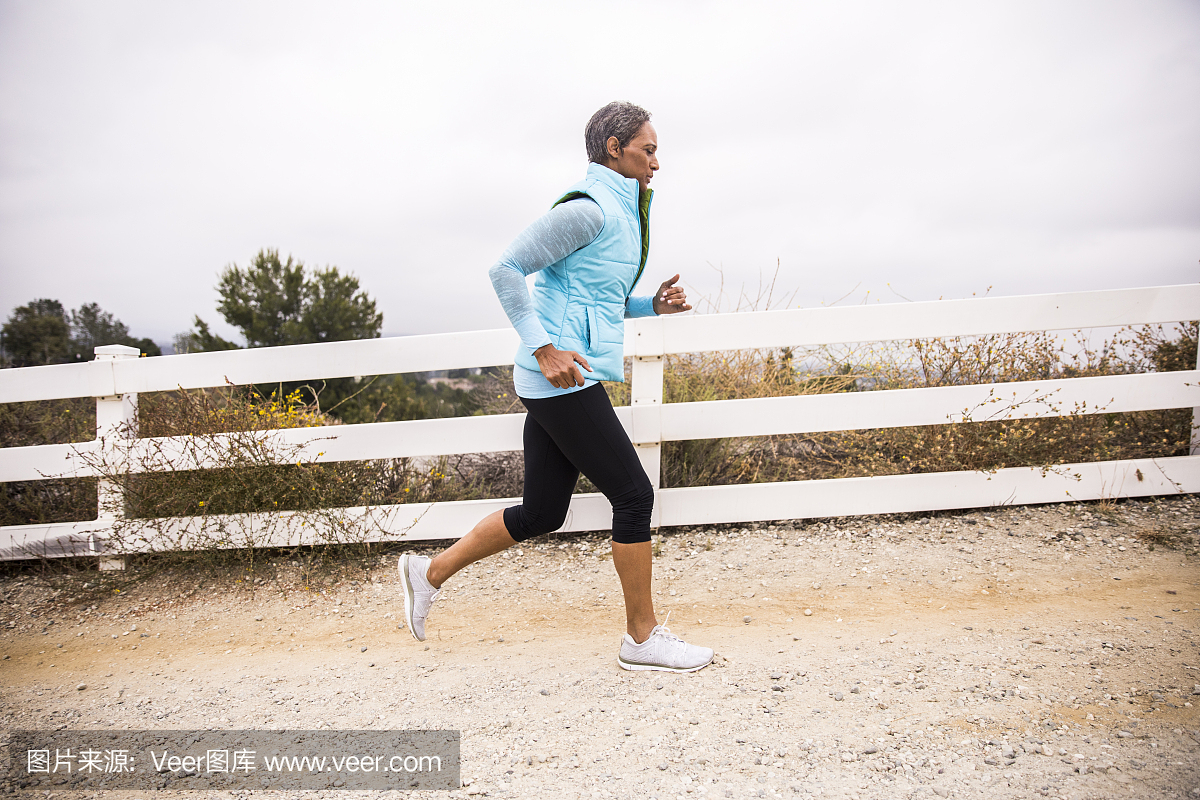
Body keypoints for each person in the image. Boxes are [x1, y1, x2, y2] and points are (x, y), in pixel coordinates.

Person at [399, 101, 712, 673]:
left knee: (543, 511)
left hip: (563, 376)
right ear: (615, 149)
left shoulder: (621, 213)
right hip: (559, 377)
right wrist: (544, 348)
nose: (656, 163)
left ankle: (428, 572)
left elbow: (596, 297)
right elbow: (505, 269)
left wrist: (652, 305)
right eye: (648, 150)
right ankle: (641, 639)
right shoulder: (587, 210)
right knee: (634, 496)